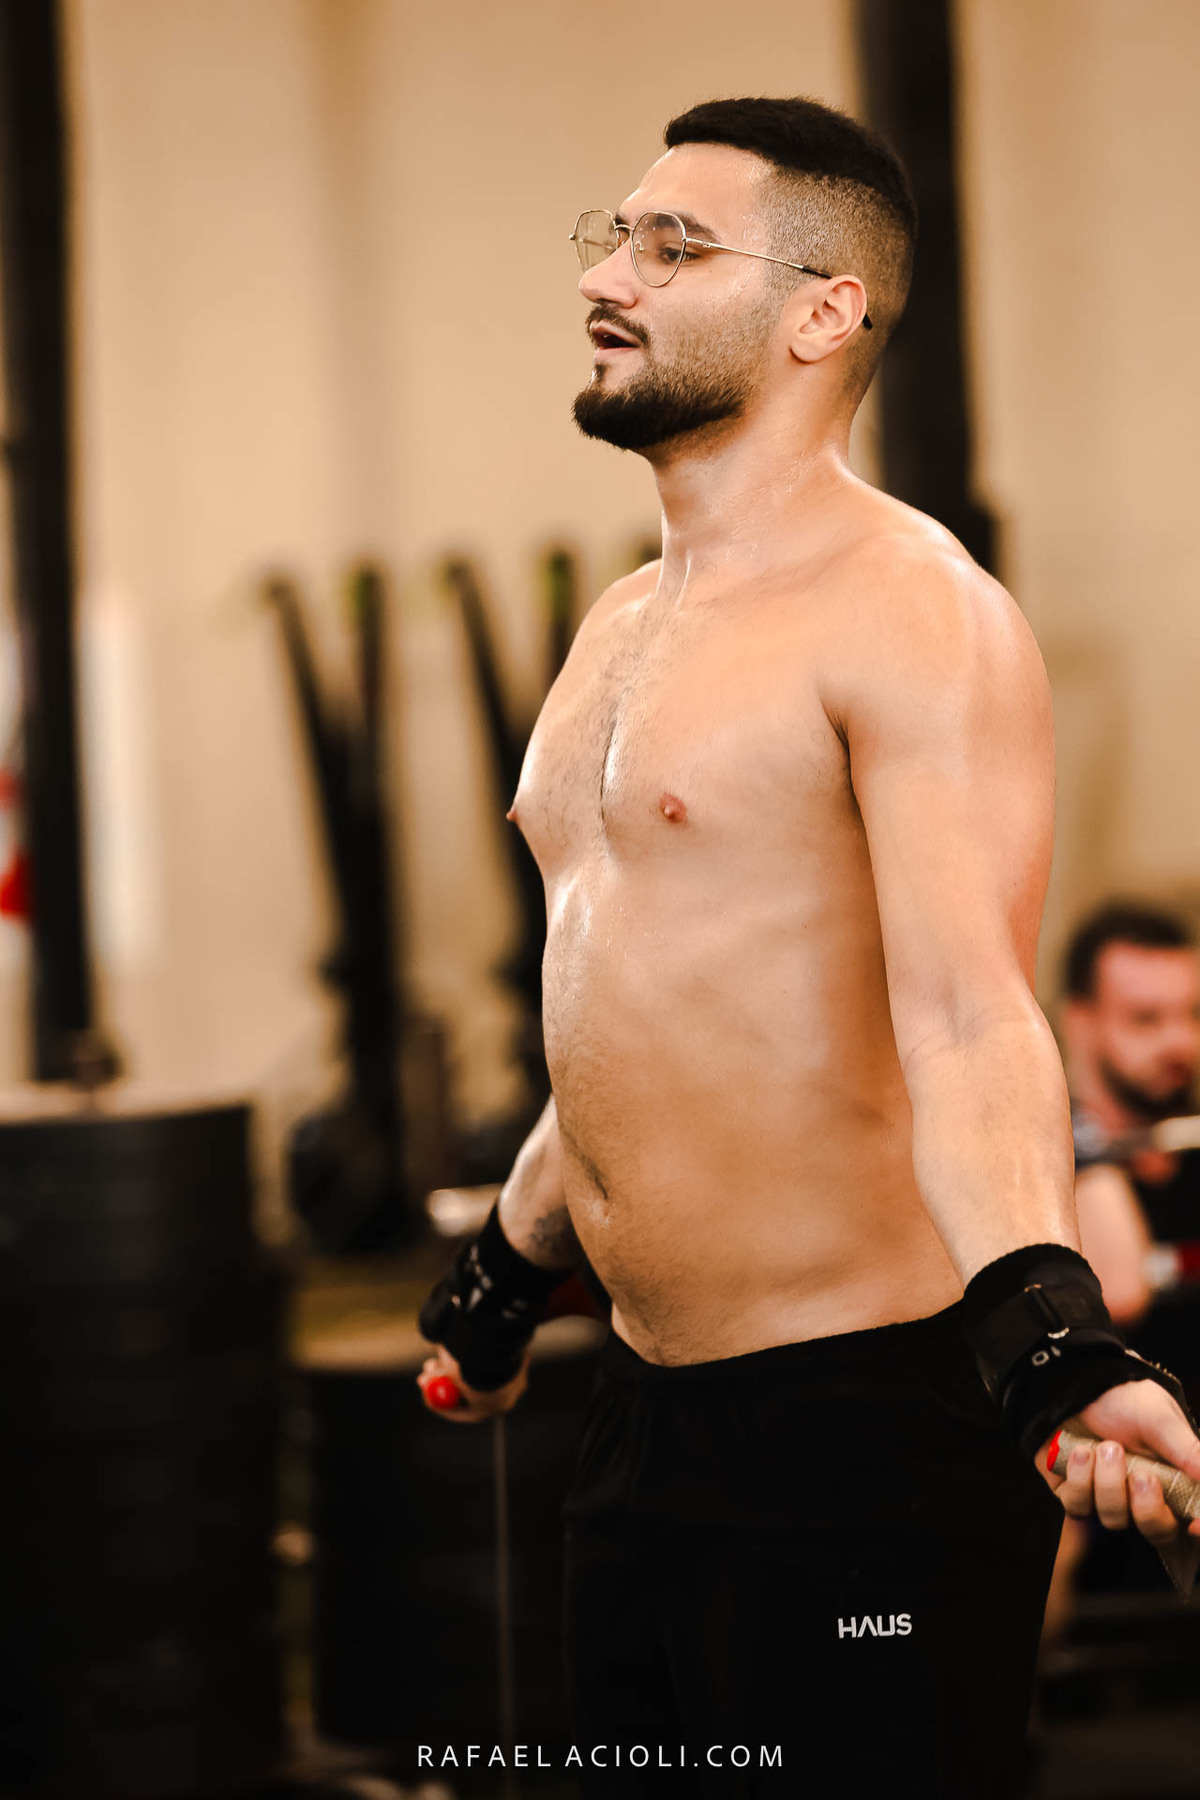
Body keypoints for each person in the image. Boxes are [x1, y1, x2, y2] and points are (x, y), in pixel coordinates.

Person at [417, 97, 1200, 1796]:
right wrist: (505, 1276)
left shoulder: (914, 612)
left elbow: (971, 1017)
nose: (608, 279)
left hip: (864, 1443)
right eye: (614, 239)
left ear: (822, 312)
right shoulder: (620, 626)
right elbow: (634, 1009)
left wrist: (1052, 1338)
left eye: (671, 246)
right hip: (642, 1420)